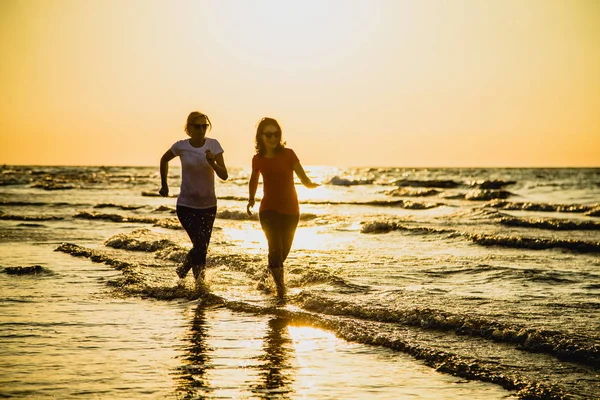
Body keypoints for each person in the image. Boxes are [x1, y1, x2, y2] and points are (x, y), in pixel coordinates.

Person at [247, 117, 318, 297]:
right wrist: (251, 199)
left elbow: (303, 177)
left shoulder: (289, 154)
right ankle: (281, 290)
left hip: (291, 211)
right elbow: (254, 179)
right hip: (268, 210)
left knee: (283, 252)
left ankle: (265, 278)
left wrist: (311, 184)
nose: (273, 138)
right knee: (274, 248)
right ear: (260, 137)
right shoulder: (258, 159)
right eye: (269, 134)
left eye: (276, 134)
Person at [159, 111, 228, 286]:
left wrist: (212, 162)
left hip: (209, 206)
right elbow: (164, 159)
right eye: (197, 126)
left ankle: (186, 271)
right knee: (199, 246)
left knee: (202, 249)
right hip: (186, 206)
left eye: (204, 126)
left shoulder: (214, 145)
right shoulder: (181, 146)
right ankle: (200, 286)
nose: (201, 130)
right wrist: (164, 185)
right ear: (188, 128)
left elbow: (224, 175)